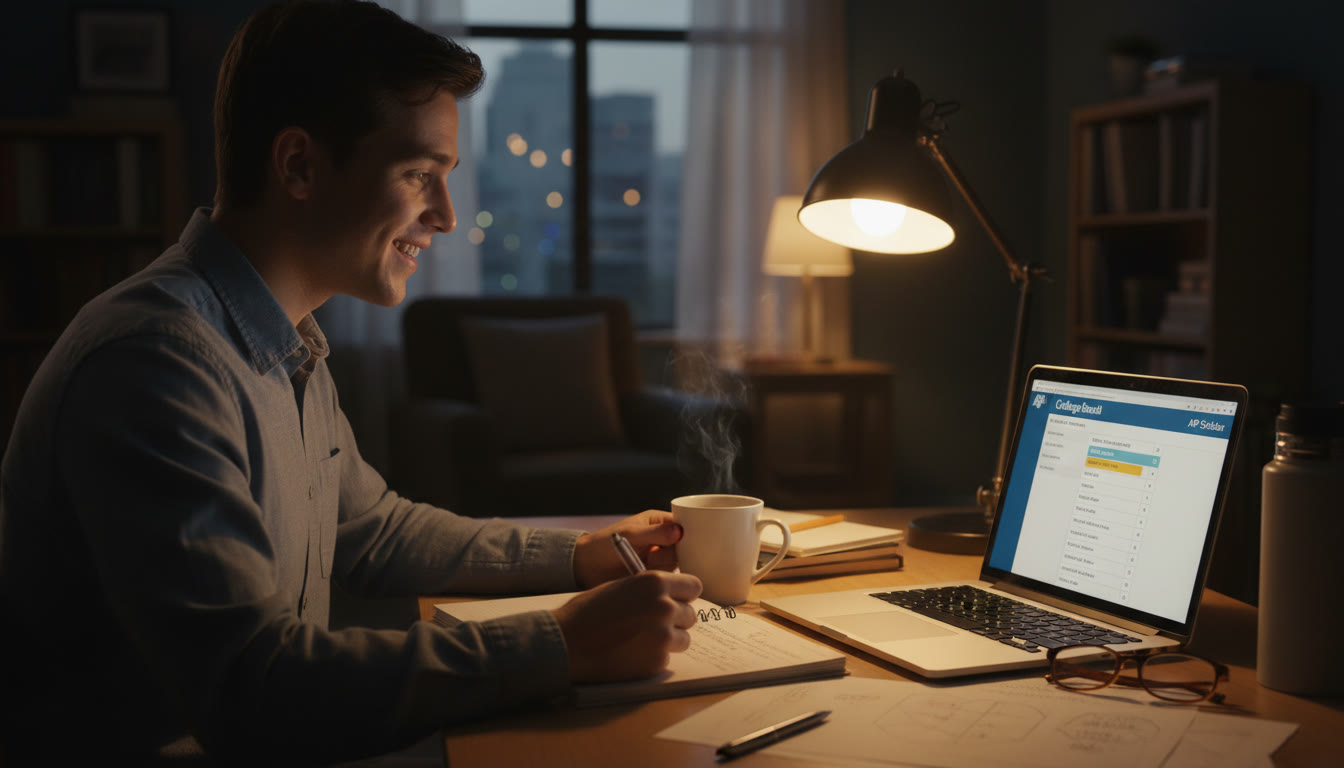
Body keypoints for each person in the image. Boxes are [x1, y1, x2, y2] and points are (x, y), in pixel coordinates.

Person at [0, 1, 702, 763]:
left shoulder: (285, 340)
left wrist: (583, 553)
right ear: (299, 165)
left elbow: (373, 531)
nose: (446, 215)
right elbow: (250, 687)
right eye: (418, 173)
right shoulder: (157, 361)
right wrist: (559, 644)